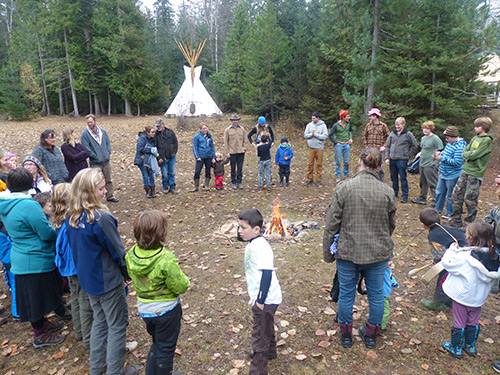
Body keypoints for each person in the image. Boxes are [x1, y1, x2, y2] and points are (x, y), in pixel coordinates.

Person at [65, 168, 136, 375]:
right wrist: (126, 274)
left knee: (100, 321)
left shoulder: (72, 217)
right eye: (101, 189)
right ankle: (115, 371)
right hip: (107, 281)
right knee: (116, 325)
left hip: (89, 280)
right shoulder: (100, 218)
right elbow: (118, 251)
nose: (105, 192)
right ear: (87, 192)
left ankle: (97, 369)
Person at [323, 148, 396, 349]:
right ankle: (370, 335)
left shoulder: (344, 188)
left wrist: (328, 252)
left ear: (359, 162)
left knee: (347, 293)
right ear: (379, 166)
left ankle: (347, 334)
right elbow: (391, 224)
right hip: (376, 252)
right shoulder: (387, 191)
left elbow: (331, 223)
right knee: (376, 293)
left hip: (349, 251)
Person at [0, 168, 67, 348]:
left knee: (33, 296)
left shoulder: (5, 204)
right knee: (36, 299)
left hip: (20, 256)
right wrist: (58, 231)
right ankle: (40, 336)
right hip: (35, 258)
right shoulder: (28, 205)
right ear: (30, 184)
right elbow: (45, 233)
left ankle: (43, 325)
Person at [125, 210, 190, 375]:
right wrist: (186, 281)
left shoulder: (131, 254)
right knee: (166, 349)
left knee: (157, 343)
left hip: (145, 309)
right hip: (166, 311)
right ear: (161, 233)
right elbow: (180, 286)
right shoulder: (165, 259)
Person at [441, 222, 499, 358]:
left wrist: (451, 250)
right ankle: (470, 346)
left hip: (463, 296)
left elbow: (448, 264)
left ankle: (456, 347)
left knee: (459, 321)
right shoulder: (495, 258)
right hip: (479, 298)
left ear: (471, 238)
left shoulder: (466, 257)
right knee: (473, 320)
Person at [238, 208, 282, 375]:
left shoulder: (261, 247)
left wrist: (260, 301)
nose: (239, 231)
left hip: (266, 299)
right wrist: (243, 230)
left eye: (243, 228)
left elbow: (267, 274)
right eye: (239, 227)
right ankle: (271, 352)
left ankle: (258, 370)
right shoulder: (254, 241)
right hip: (266, 298)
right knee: (266, 326)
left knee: (260, 336)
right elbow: (242, 236)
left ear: (256, 230)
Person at [52, 182, 93, 350]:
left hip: (68, 267)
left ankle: (80, 332)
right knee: (84, 300)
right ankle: (88, 338)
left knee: (75, 297)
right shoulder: (71, 221)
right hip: (76, 265)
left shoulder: (58, 220)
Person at [449, 117, 494, 228]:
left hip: (475, 173)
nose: (475, 128)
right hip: (465, 170)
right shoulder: (475, 138)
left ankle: (469, 223)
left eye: (477, 126)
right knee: (456, 194)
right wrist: (468, 154)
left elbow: (474, 155)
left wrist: (469, 154)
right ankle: (456, 219)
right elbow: (465, 152)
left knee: (470, 198)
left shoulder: (486, 140)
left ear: (483, 128)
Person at [418, 208, 467, 311]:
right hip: (466, 254)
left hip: (460, 257)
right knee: (455, 277)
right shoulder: (444, 228)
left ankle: (438, 303)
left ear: (423, 224)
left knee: (444, 276)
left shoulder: (433, 235)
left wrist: (437, 261)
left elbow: (439, 254)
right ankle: (451, 298)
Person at [81, 114, 119, 202]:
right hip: (95, 163)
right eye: (88, 123)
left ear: (95, 121)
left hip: (106, 161)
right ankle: (96, 199)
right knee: (96, 182)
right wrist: (95, 156)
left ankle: (110, 196)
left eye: (90, 122)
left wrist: (107, 153)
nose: (89, 124)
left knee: (108, 179)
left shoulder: (102, 131)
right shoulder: (85, 134)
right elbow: (87, 148)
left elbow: (108, 143)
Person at [434, 126, 467, 219]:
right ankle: (437, 210)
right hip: (443, 173)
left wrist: (442, 159)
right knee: (439, 192)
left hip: (453, 174)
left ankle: (449, 212)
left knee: (450, 194)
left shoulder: (460, 146)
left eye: (448, 138)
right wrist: (441, 153)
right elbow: (445, 152)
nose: (446, 140)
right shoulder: (449, 144)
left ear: (453, 137)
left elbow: (457, 162)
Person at [384, 117, 418, 203]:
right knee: (393, 177)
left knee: (403, 177)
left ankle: (405, 195)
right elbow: (387, 146)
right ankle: (394, 193)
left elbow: (415, 145)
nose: (397, 126)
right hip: (392, 159)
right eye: (396, 124)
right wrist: (387, 157)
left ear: (403, 125)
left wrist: (408, 155)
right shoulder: (392, 133)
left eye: (399, 124)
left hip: (402, 159)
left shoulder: (408, 134)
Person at [411, 121, 443, 206]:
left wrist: (437, 162)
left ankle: (436, 201)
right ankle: (422, 198)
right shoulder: (423, 138)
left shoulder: (435, 139)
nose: (424, 130)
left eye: (427, 128)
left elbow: (440, 151)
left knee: (433, 183)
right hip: (422, 163)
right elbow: (423, 150)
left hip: (431, 164)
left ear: (431, 129)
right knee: (422, 182)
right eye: (423, 128)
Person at [363, 108, 390, 181]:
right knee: (369, 165)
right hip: (370, 149)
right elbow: (364, 135)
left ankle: (380, 181)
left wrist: (384, 146)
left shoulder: (383, 125)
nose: (369, 117)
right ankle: (370, 180)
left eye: (371, 116)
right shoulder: (368, 125)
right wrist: (366, 146)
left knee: (380, 167)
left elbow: (389, 136)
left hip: (379, 149)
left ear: (375, 116)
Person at [153, 118, 179, 195]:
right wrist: (158, 158)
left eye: (159, 125)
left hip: (171, 156)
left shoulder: (170, 132)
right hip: (162, 158)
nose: (158, 127)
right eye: (157, 126)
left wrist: (174, 152)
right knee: (164, 174)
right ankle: (165, 186)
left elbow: (175, 142)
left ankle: (172, 187)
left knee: (172, 172)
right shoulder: (155, 135)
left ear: (163, 124)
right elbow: (155, 148)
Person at [134, 126, 159, 198]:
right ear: (147, 133)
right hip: (142, 161)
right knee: (145, 175)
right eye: (152, 132)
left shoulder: (152, 139)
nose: (154, 133)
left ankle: (152, 191)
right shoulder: (142, 139)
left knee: (151, 175)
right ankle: (147, 191)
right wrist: (150, 150)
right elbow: (140, 149)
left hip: (150, 161)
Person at [304, 112, 328, 186]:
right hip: (311, 147)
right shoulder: (309, 125)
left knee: (319, 164)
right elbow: (305, 135)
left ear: (318, 118)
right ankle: (309, 179)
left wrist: (316, 135)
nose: (312, 119)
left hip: (319, 148)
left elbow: (325, 136)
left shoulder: (323, 126)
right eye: (312, 118)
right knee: (310, 164)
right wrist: (311, 134)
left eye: (314, 118)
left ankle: (318, 179)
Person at [190, 124, 216, 192]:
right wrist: (197, 156)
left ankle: (206, 185)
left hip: (209, 156)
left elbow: (212, 147)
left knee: (208, 171)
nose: (205, 130)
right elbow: (195, 147)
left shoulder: (209, 136)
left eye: (206, 128)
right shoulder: (197, 137)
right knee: (197, 171)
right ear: (200, 129)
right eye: (203, 128)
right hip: (200, 157)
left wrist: (213, 157)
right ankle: (196, 186)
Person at [224, 113, 246, 190]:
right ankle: (233, 182)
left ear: (238, 120)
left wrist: (244, 148)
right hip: (232, 152)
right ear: (232, 121)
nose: (235, 121)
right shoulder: (227, 130)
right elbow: (226, 142)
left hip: (240, 152)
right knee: (233, 168)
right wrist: (227, 152)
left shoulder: (242, 129)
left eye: (236, 120)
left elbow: (244, 140)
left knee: (240, 168)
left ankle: (239, 182)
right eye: (234, 120)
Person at [329, 110, 353, 179]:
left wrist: (350, 138)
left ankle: (346, 175)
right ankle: (338, 176)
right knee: (338, 161)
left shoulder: (348, 124)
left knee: (346, 161)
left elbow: (351, 131)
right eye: (347, 116)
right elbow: (330, 135)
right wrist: (336, 142)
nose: (349, 118)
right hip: (339, 145)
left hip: (347, 145)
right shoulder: (336, 125)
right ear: (343, 117)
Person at [382, 263, 398, 331]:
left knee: (382, 310)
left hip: (386, 294)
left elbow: (390, 277)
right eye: (388, 260)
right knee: (386, 312)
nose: (390, 262)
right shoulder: (381, 270)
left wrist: (393, 282)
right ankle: (380, 327)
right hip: (382, 294)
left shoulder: (388, 270)